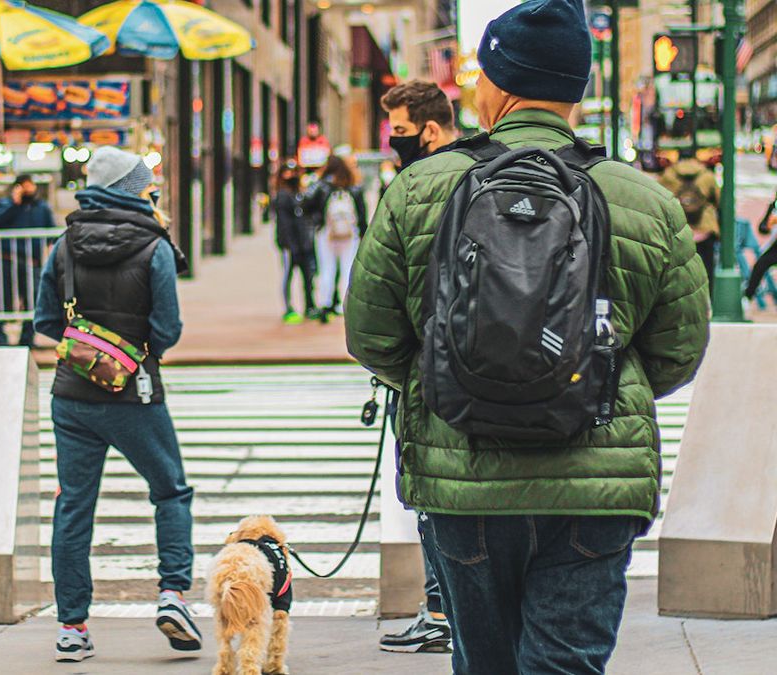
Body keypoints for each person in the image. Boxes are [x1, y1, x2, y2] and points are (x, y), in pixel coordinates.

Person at [344, 2, 710, 673]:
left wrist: (448, 380)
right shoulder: (643, 198)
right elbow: (680, 347)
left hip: (464, 475)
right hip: (594, 481)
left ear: (499, 84)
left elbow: (371, 334)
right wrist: (589, 381)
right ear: (577, 88)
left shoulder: (420, 188)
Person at [34, 146, 199, 663]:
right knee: (169, 490)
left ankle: (72, 627)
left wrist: (90, 345)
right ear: (134, 189)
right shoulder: (155, 248)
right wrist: (131, 354)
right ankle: (172, 594)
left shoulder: (64, 244)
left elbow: (43, 322)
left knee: (74, 505)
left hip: (72, 393)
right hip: (136, 394)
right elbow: (167, 330)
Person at [374, 79, 459, 656]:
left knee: (431, 494)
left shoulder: (414, 188)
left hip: (430, 374)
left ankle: (440, 609)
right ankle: (449, 609)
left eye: (400, 133)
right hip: (480, 367)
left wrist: (394, 367)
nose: (394, 145)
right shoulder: (485, 170)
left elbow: (372, 312)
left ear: (429, 130)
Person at [0, 174, 55, 346]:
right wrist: (15, 204)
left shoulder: (42, 207)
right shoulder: (5, 204)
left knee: (32, 300)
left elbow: (51, 234)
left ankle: (27, 338)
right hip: (4, 259)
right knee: (0, 300)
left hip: (30, 261)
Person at [304, 154, 367, 321]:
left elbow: (306, 205)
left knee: (327, 268)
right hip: (349, 234)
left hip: (327, 233)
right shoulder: (354, 187)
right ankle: (344, 304)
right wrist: (363, 234)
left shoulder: (322, 186)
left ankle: (325, 303)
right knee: (348, 268)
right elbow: (362, 214)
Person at [659, 147, 719, 291]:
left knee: (677, 272)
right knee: (707, 270)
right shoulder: (706, 175)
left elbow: (658, 201)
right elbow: (718, 200)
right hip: (704, 229)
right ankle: (707, 303)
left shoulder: (668, 175)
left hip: (678, 230)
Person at [272, 159, 316, 324]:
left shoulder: (300, 194)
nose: (292, 176)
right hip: (289, 245)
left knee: (308, 275)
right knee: (288, 275)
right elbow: (284, 224)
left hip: (304, 241)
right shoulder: (282, 196)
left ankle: (309, 305)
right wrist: (291, 245)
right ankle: (288, 307)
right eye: (288, 172)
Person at [746, 193, 777, 300]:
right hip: (775, 248)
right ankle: (747, 297)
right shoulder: (774, 206)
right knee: (760, 265)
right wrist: (768, 226)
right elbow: (762, 228)